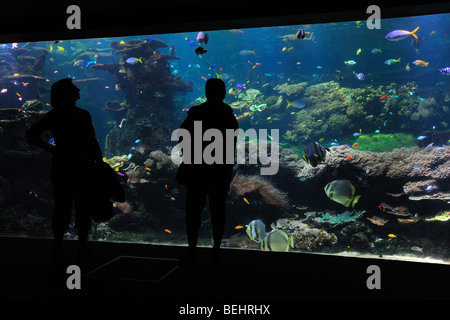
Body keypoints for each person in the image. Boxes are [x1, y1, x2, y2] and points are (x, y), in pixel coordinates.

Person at [25, 78, 104, 263]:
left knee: (62, 207)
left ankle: (58, 248)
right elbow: (92, 142)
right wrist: (99, 163)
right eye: (73, 87)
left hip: (62, 166)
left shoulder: (54, 115)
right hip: (82, 166)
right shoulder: (83, 114)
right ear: (67, 93)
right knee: (83, 208)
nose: (78, 89)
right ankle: (82, 248)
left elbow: (31, 134)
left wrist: (51, 149)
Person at [175, 78, 239, 266]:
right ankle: (216, 250)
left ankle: (192, 251)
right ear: (224, 93)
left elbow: (182, 135)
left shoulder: (196, 112)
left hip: (196, 169)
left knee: (193, 210)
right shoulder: (228, 114)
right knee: (218, 210)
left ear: (206, 92)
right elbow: (232, 142)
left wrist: (190, 156)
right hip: (219, 170)